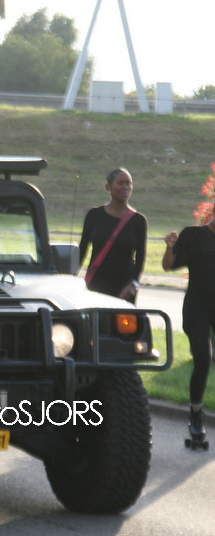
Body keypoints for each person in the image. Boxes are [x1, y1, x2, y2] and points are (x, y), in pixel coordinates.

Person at [162, 212, 215, 442]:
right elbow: (168, 265)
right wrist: (170, 247)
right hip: (197, 308)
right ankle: (196, 414)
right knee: (203, 360)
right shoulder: (194, 235)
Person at [78, 168, 148, 304]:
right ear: (108, 187)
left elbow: (140, 257)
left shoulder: (138, 220)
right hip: (96, 283)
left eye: (128, 183)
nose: (125, 187)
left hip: (124, 288)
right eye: (120, 183)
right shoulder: (94, 215)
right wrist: (71, 277)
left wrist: (133, 283)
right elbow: (82, 249)